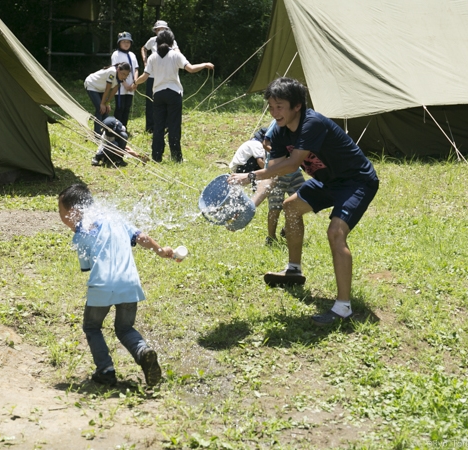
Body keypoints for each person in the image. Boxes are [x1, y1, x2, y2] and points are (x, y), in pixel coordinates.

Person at [229, 77, 379, 326]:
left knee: (335, 233)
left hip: (356, 181)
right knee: (291, 207)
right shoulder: (277, 132)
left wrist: (250, 175)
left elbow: (292, 163)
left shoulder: (312, 123)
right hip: (327, 181)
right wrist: (249, 207)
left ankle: (343, 308)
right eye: (271, 106)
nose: (274, 112)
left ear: (296, 106)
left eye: (280, 106)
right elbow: (274, 174)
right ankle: (294, 270)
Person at [58, 183, 174, 387]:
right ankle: (143, 351)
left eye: (61, 211)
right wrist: (160, 250)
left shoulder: (81, 233)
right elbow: (142, 237)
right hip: (130, 283)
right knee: (125, 327)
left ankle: (106, 370)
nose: (61, 217)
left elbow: (88, 267)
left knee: (92, 327)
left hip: (102, 285)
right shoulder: (116, 217)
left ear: (75, 212)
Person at [133, 30, 214, 163]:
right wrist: (205, 65)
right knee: (174, 126)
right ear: (172, 42)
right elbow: (191, 69)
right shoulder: (176, 55)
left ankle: (156, 156)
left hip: (158, 94)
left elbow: (145, 76)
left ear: (157, 42)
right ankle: (176, 158)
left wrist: (134, 83)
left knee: (158, 126)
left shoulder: (152, 57)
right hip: (173, 94)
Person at [141, 20, 179, 133]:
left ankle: (166, 126)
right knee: (150, 100)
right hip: (152, 75)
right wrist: (145, 61)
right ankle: (150, 126)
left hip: (166, 76)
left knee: (166, 100)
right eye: (158, 29)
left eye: (163, 29)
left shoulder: (172, 41)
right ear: (155, 31)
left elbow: (177, 51)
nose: (160, 31)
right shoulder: (152, 41)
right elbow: (144, 48)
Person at [84, 63, 131, 136]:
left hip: (101, 89)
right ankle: (97, 134)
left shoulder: (121, 78)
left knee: (105, 110)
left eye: (126, 75)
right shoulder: (112, 72)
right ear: (118, 70)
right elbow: (108, 89)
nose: (124, 76)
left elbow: (114, 90)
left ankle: (107, 131)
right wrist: (102, 103)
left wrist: (107, 103)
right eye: (123, 74)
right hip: (92, 85)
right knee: (100, 109)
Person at [111, 32, 139, 128]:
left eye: (128, 42)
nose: (126, 44)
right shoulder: (116, 54)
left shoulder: (132, 55)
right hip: (120, 86)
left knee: (127, 107)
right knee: (120, 107)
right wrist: (124, 83)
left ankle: (124, 127)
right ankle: (116, 128)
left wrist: (135, 82)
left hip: (131, 86)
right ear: (119, 43)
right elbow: (116, 70)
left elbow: (136, 69)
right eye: (123, 42)